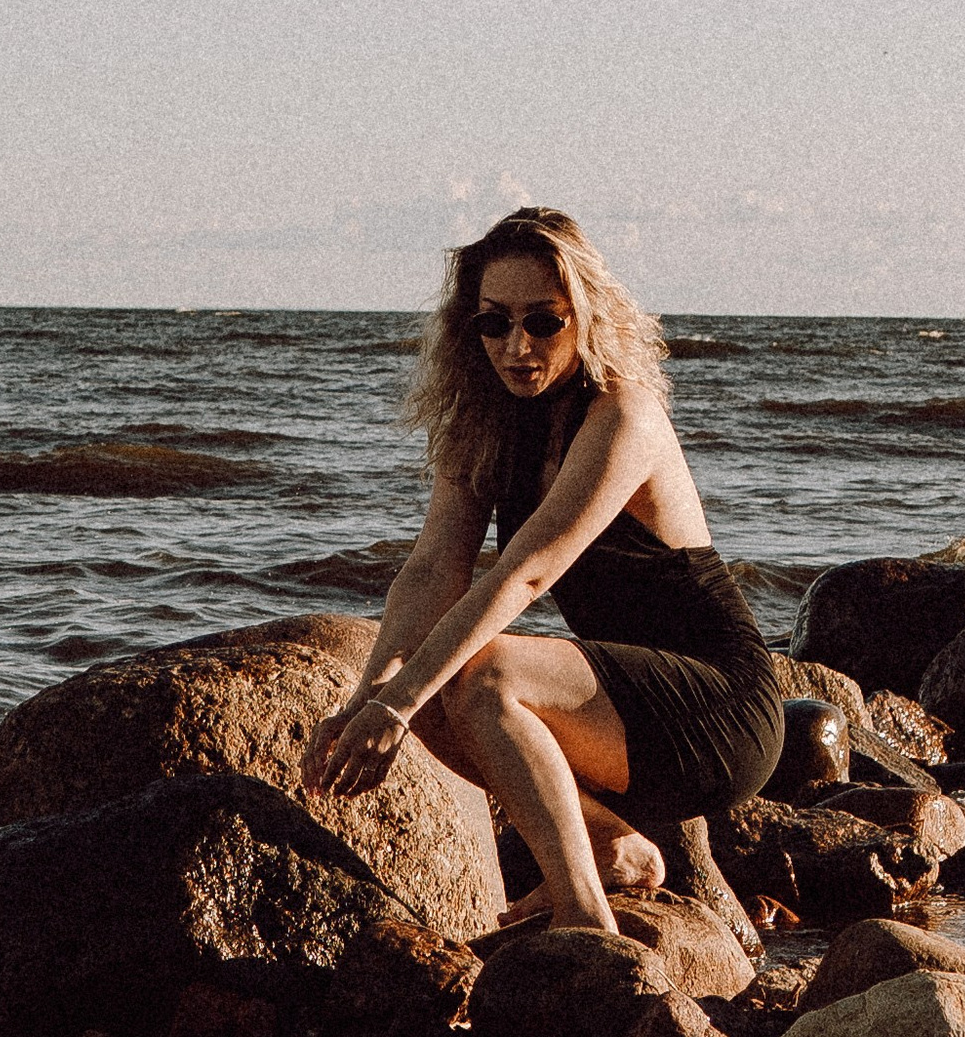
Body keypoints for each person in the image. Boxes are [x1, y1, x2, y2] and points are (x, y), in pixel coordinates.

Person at [301, 207, 784, 934]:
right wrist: (368, 699)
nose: (516, 346)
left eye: (543, 322)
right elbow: (434, 568)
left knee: (479, 672)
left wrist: (394, 704)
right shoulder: (483, 421)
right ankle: (613, 846)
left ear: (585, 315)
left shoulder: (625, 414)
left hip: (719, 704)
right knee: (429, 682)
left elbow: (525, 574)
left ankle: (585, 922)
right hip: (617, 705)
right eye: (494, 324)